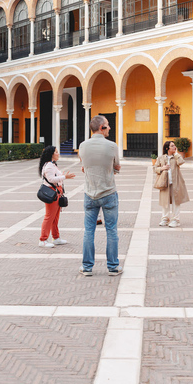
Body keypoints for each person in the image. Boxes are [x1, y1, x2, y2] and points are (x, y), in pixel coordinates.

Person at [77, 115, 121, 276]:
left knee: (89, 231)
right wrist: (113, 170)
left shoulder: (82, 146)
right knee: (111, 230)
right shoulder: (112, 146)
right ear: (102, 127)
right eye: (108, 125)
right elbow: (117, 166)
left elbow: (84, 166)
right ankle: (113, 266)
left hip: (90, 192)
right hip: (108, 192)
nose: (110, 128)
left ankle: (87, 267)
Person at [38, 145, 75, 248]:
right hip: (52, 193)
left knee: (55, 217)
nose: (58, 153)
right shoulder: (49, 166)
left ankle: (56, 238)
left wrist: (62, 177)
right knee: (49, 216)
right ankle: (43, 239)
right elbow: (51, 179)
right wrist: (64, 177)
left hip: (57, 192)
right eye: (56, 152)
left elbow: (56, 177)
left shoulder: (52, 165)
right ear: (51, 154)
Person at [154, 140, 189, 227]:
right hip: (164, 183)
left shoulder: (176, 157)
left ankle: (175, 220)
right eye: (172, 146)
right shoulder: (161, 158)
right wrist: (162, 168)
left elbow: (181, 162)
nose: (174, 147)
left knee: (176, 201)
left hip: (176, 183)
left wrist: (176, 154)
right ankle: (165, 219)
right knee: (164, 202)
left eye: (174, 145)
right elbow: (155, 168)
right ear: (167, 148)